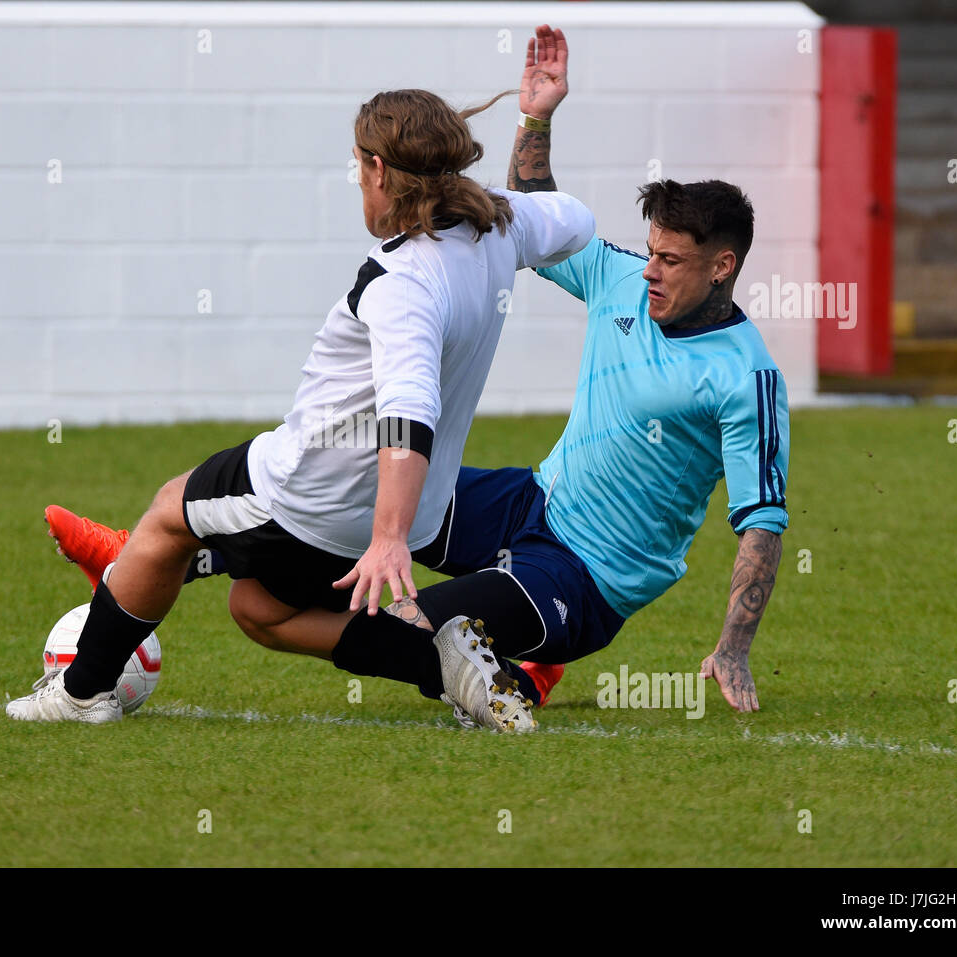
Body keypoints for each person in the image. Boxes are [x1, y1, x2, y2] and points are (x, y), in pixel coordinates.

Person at [44, 25, 789, 733]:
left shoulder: (746, 377)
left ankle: (501, 671)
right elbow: (540, 215)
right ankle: (162, 552)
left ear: (722, 266)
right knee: (288, 575)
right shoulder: (621, 279)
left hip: (590, 574)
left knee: (414, 622)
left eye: (672, 260)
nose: (650, 270)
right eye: (650, 252)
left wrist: (733, 645)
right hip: (533, 500)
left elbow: (762, 523)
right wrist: (535, 118)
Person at [7, 86, 597, 723]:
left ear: (376, 169)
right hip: (408, 508)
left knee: (170, 514)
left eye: (358, 167)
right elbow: (577, 222)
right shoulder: (499, 224)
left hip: (307, 494)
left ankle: (82, 693)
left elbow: (409, 410)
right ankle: (448, 661)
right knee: (258, 609)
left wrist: (389, 541)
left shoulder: (402, 279)